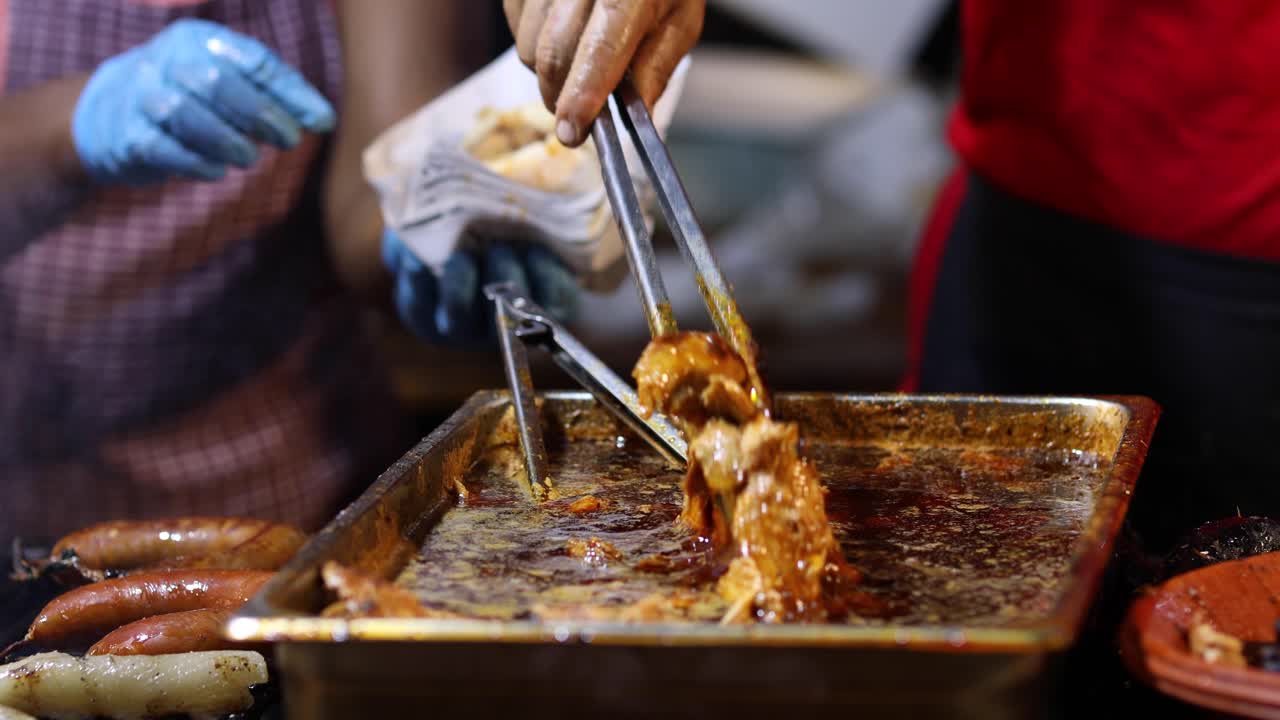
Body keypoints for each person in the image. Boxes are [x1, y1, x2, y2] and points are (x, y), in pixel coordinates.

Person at [0, 1, 578, 538]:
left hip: (284, 485)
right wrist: (73, 124)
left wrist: (436, 238)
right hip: (21, 493)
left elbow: (384, 174)